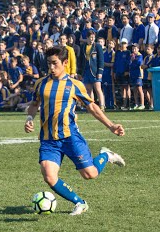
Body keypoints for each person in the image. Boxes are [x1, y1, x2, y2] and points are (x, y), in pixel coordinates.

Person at [24, 46, 125, 216]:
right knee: (49, 176)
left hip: (70, 137)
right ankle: (80, 202)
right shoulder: (41, 83)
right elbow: (34, 105)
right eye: (49, 64)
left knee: (89, 174)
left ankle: (106, 155)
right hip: (49, 139)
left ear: (65, 63)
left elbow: (91, 106)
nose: (51, 67)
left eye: (55, 63)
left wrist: (111, 125)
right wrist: (29, 119)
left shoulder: (74, 85)